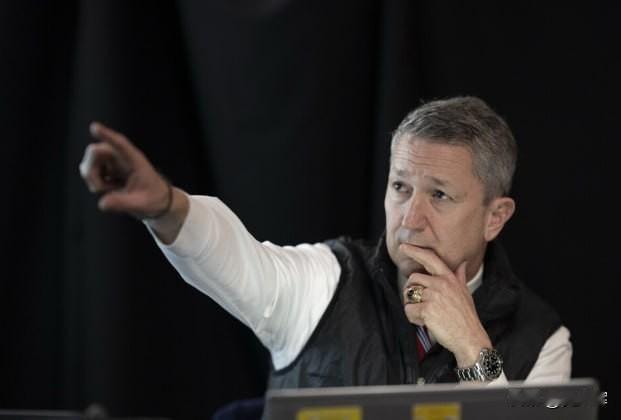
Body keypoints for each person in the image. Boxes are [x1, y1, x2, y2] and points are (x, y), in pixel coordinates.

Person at [79, 96, 571, 389]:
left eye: (439, 195)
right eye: (400, 187)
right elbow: (232, 258)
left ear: (494, 218)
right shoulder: (325, 281)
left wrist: (472, 349)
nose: (410, 218)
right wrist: (166, 206)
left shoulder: (544, 339)